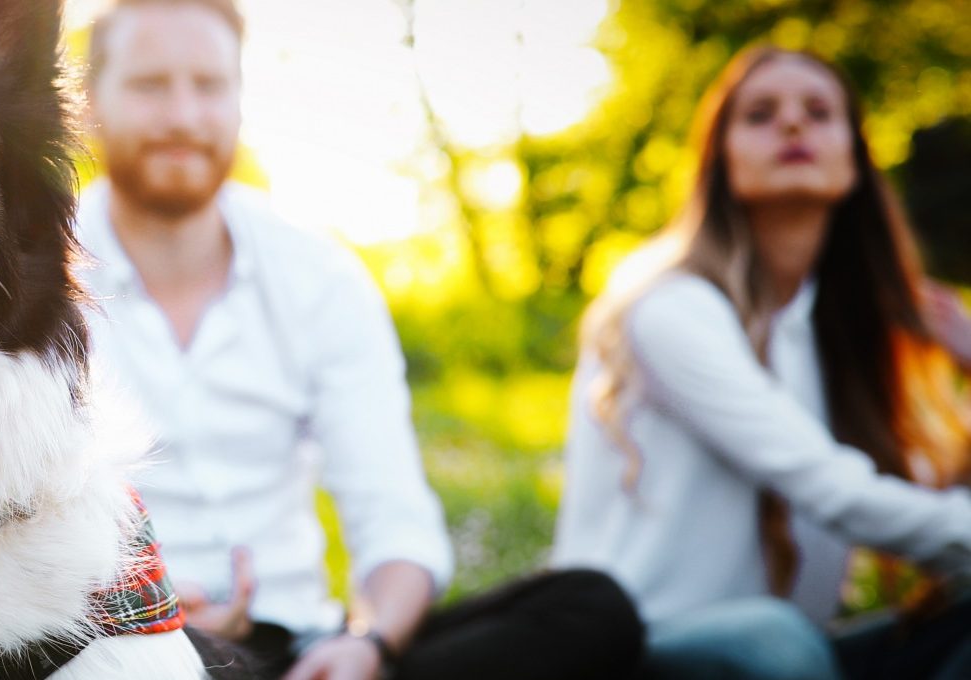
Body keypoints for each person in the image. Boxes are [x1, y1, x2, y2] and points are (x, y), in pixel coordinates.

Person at [76, 1, 643, 678]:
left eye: (209, 85)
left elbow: (394, 522)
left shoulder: (320, 277)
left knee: (589, 608)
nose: (184, 116)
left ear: (238, 98)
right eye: (149, 85)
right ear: (87, 105)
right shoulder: (31, 290)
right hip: (113, 650)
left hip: (300, 655)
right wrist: (149, 619)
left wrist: (367, 645)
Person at [552, 46, 971, 680]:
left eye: (818, 111)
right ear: (719, 158)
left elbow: (921, 503)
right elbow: (833, 489)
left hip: (795, 656)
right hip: (644, 651)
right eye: (761, 114)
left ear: (855, 157)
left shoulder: (833, 333)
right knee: (772, 639)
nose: (793, 125)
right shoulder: (669, 308)